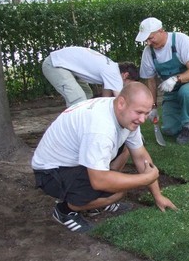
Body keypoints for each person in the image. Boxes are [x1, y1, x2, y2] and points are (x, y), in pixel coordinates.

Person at [32, 81, 177, 233]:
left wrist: (158, 196)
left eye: (146, 113)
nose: (142, 119)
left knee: (127, 148)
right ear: (121, 103)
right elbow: (99, 180)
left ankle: (97, 202)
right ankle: (65, 211)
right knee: (118, 192)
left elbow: (141, 156)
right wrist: (144, 179)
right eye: (139, 112)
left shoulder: (123, 114)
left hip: (74, 160)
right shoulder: (101, 128)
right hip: (50, 172)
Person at [136, 17, 189, 145]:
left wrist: (175, 79)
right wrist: (152, 106)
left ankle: (187, 127)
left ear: (161, 31)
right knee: (170, 130)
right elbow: (150, 81)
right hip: (171, 91)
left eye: (151, 38)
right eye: (146, 40)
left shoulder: (180, 40)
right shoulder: (148, 53)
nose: (148, 43)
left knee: (186, 93)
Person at [42, 46, 139, 107]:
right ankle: (75, 132)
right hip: (55, 64)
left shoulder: (111, 68)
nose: (127, 88)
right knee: (79, 100)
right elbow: (121, 101)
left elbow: (105, 99)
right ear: (125, 75)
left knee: (87, 94)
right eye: (129, 84)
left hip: (66, 66)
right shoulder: (114, 73)